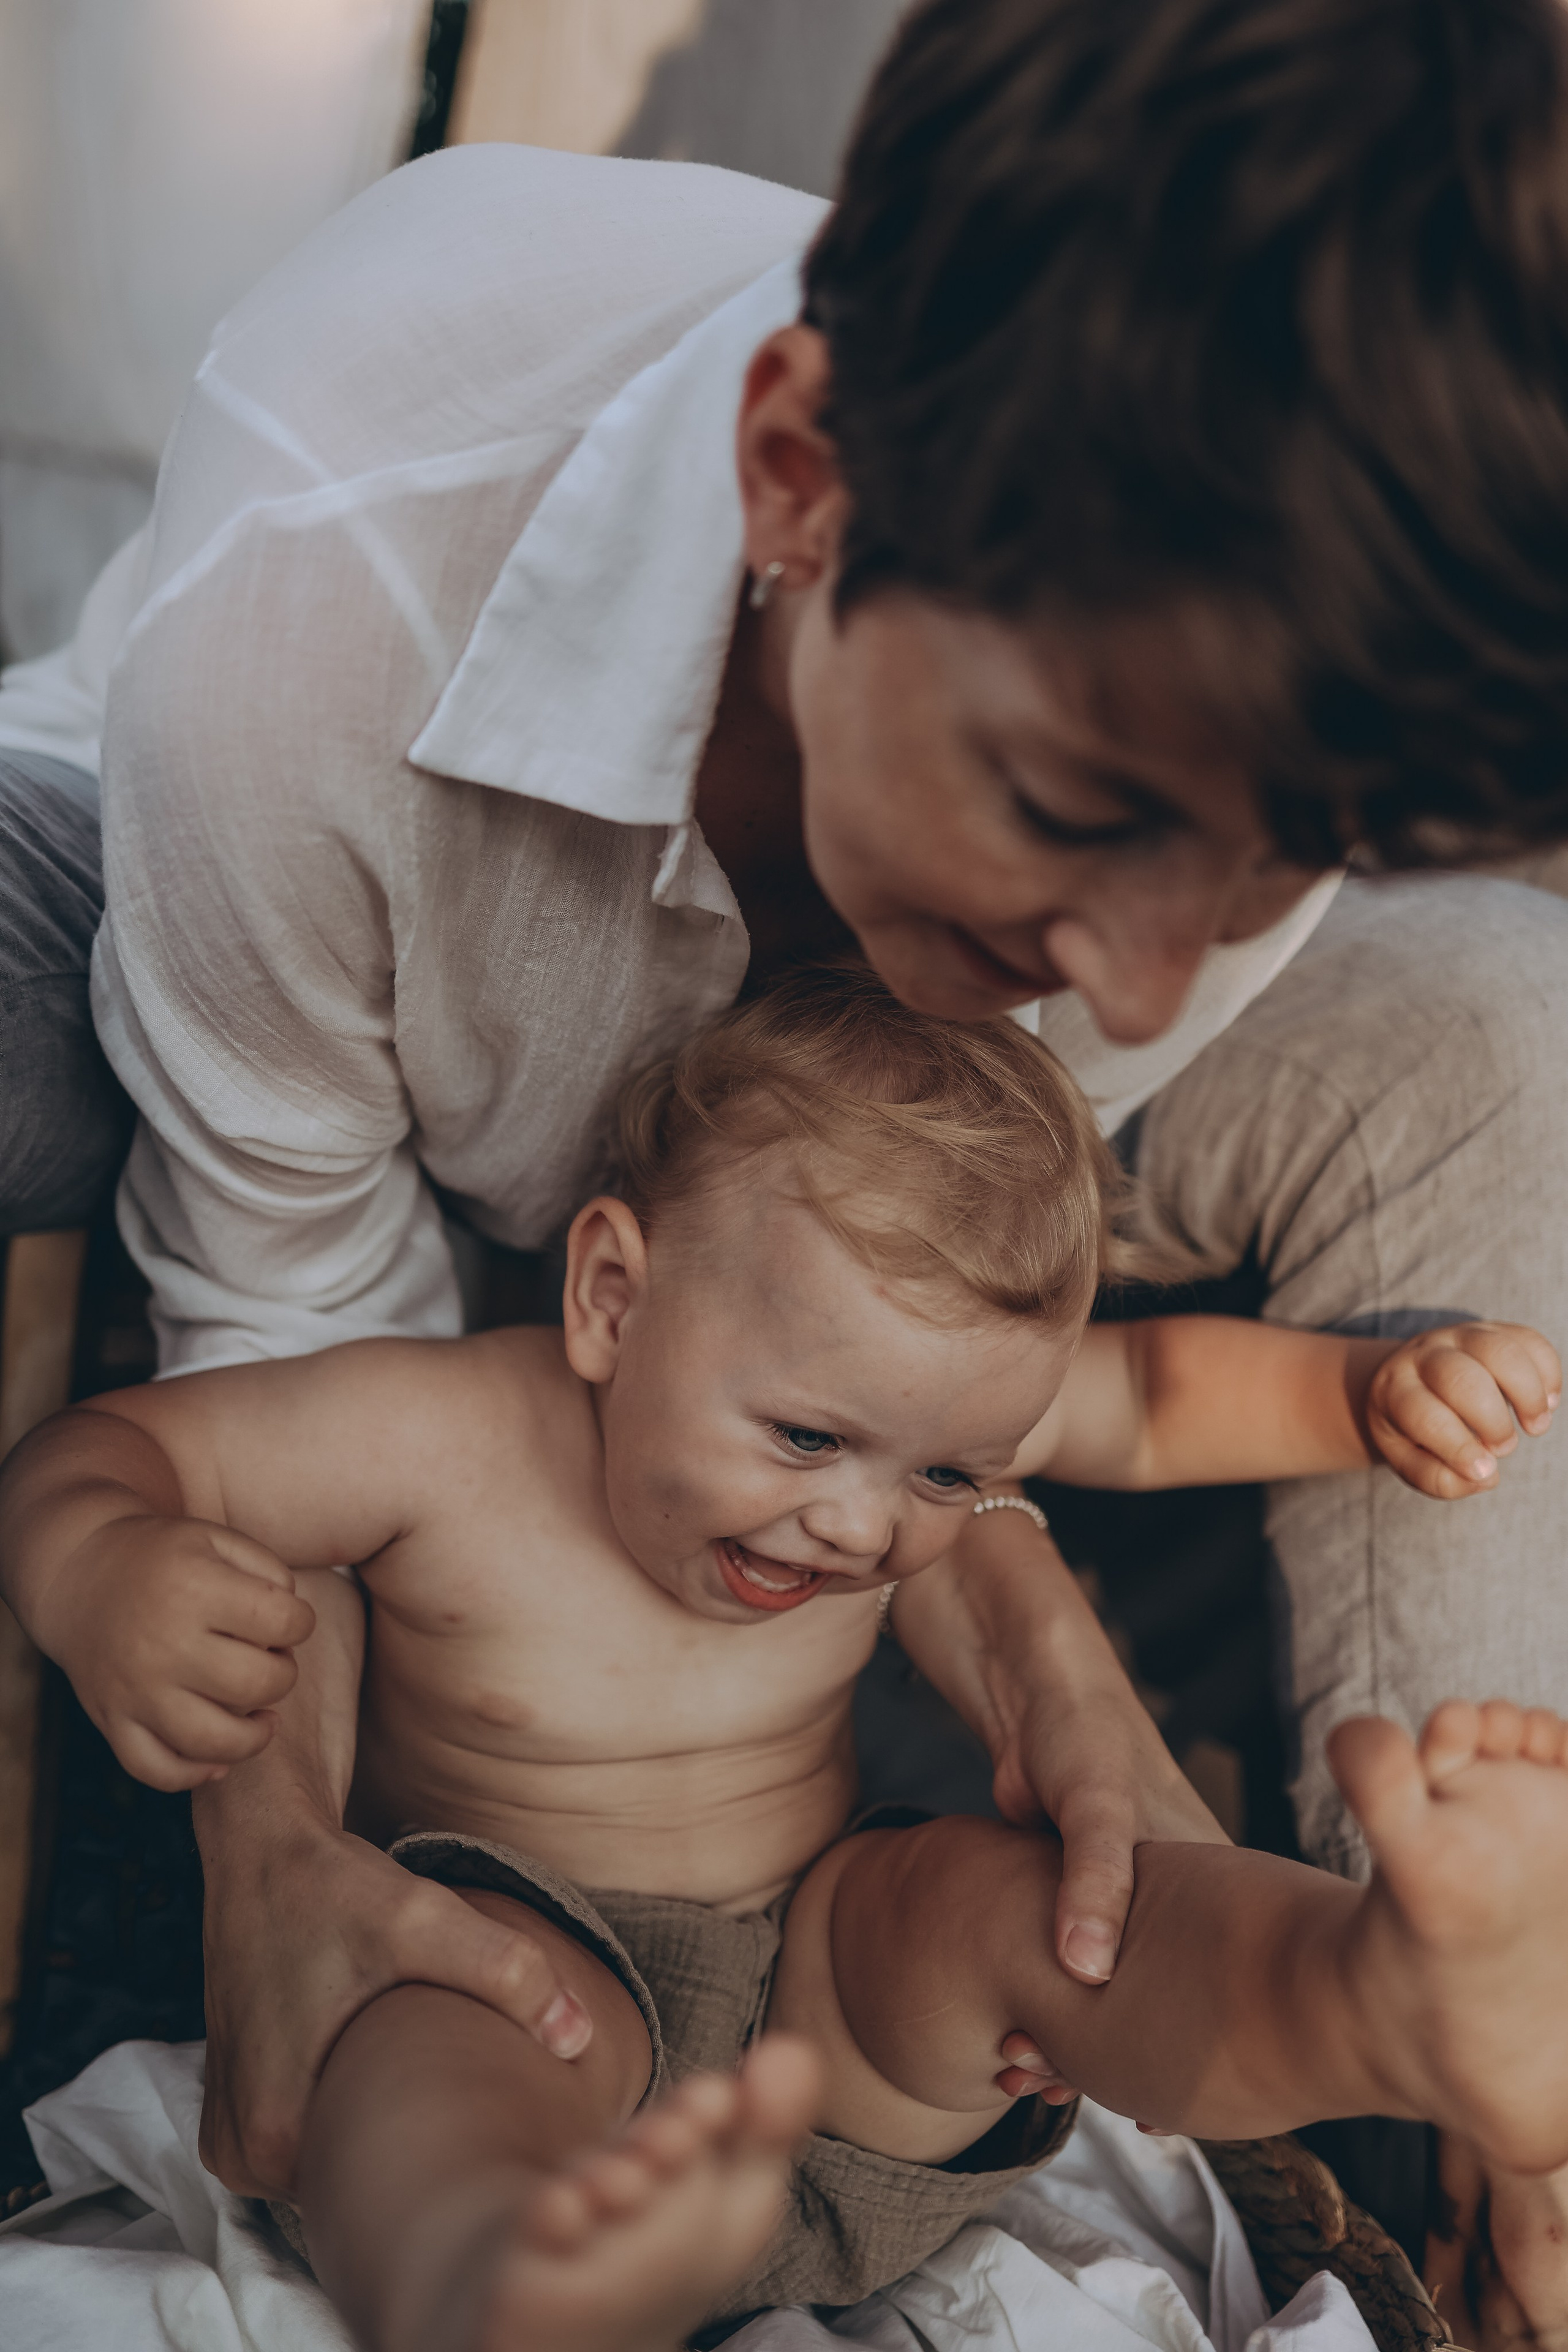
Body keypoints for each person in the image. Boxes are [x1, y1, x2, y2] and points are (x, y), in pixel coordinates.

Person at [4, 0, 1568, 2301]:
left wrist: (1011, 1584)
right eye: (1080, 808)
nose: (1142, 989)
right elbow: (260, 1347)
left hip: (823, 1828)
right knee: (441, 2094)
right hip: (290, 947)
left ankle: (1421, 2013)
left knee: (1501, 1023)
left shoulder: (1189, 682)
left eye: (1271, 859)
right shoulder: (334, 578)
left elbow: (980, 1314)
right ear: (800, 473)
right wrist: (277, 1863)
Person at [2, 973, 1566, 2352]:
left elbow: (1148, 1396)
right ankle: (486, 2284)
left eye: (948, 1478)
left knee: (1056, 1912)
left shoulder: (888, 1416)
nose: (860, 1526)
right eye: (806, 1437)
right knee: (425, 2025)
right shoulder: (433, 1433)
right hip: (531, 1974)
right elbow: (112, 1454)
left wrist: (1367, 1393)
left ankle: (1378, 1998)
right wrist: (101, 1567)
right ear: (612, 1297)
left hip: (829, 1998)